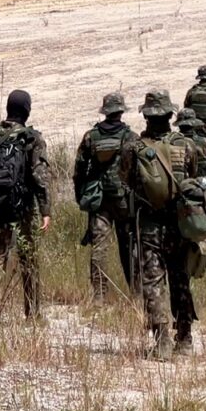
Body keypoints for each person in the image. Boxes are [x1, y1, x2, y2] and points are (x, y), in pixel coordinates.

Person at [119, 90, 200, 359]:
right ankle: (185, 339)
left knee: (153, 281)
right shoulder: (186, 145)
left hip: (149, 224)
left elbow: (125, 180)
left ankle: (162, 340)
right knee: (180, 278)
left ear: (146, 116)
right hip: (180, 224)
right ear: (170, 115)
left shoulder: (133, 148)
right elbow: (192, 179)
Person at [0, 89, 51, 325]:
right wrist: (46, 210)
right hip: (23, 207)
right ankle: (33, 314)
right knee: (29, 257)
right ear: (27, 111)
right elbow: (40, 177)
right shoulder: (32, 138)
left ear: (8, 108)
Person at [73, 92, 137, 303]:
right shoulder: (130, 137)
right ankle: (137, 294)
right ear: (121, 112)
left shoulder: (91, 136)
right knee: (129, 247)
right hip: (124, 200)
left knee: (99, 248)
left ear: (105, 112)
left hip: (99, 200)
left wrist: (82, 196)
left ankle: (99, 298)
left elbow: (79, 170)